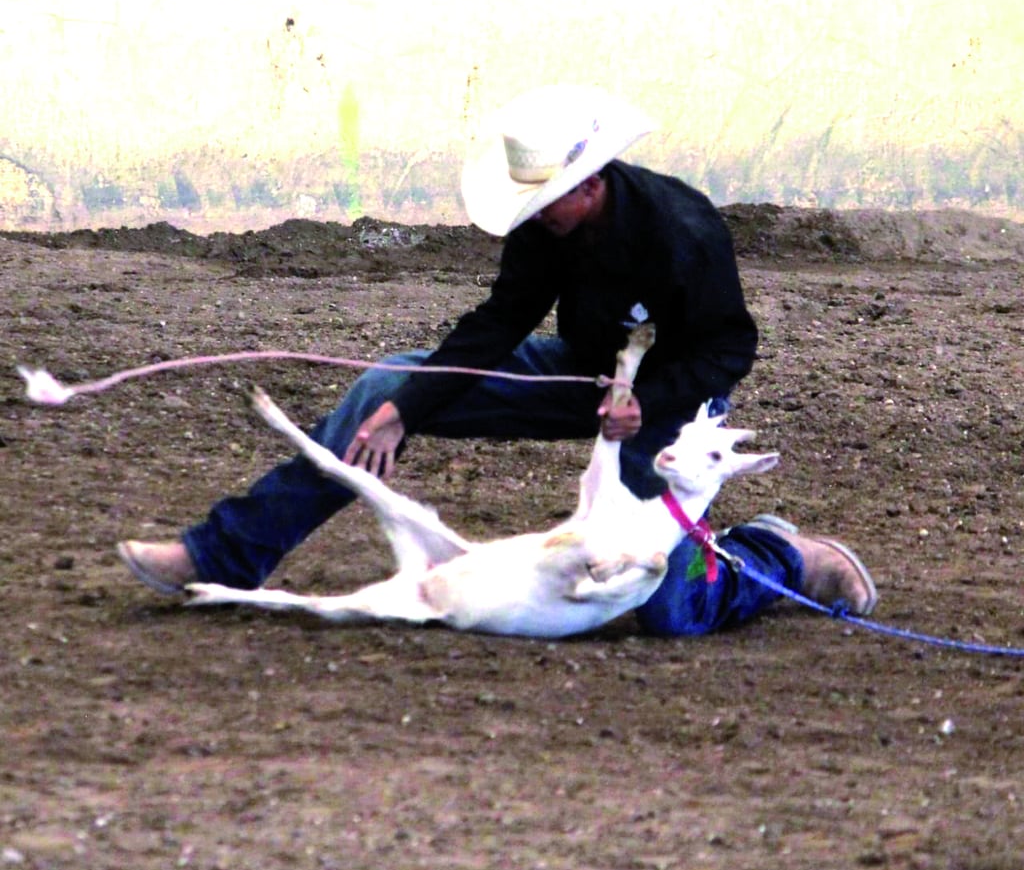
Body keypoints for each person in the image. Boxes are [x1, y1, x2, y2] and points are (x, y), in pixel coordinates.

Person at [119, 84, 877, 634]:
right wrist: (406, 406)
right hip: (584, 374)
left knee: (662, 607)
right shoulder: (544, 226)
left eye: (557, 196)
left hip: (676, 407)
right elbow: (503, 318)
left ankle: (775, 554)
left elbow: (730, 346)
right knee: (383, 384)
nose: (543, 212)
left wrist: (652, 399)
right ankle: (222, 553)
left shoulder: (683, 230)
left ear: (594, 181)